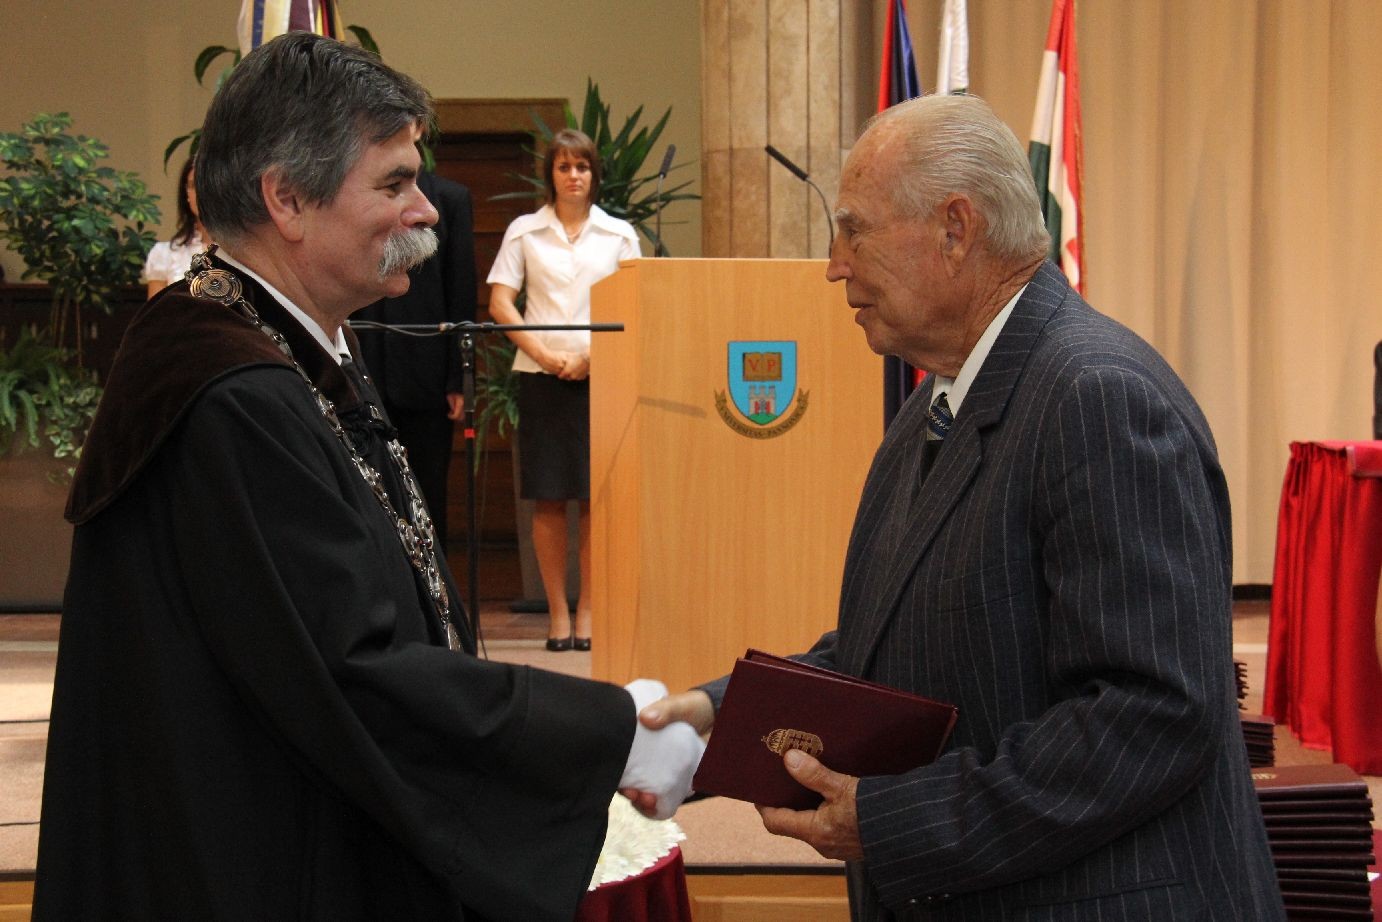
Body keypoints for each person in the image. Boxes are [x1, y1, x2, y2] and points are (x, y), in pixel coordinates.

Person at [34, 33, 701, 922]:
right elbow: (350, 669)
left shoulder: (277, 347)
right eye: (393, 184)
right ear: (287, 198)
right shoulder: (235, 394)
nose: (426, 211)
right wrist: (614, 733)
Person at [638, 94, 1286, 920]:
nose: (834, 265)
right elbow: (897, 641)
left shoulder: (1098, 396)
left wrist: (895, 819)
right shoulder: (937, 401)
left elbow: (1152, 714)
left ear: (955, 228)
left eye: (854, 230)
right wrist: (716, 714)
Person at [486, 129, 641, 652]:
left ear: (595, 175)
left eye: (583, 166)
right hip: (541, 377)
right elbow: (501, 302)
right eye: (564, 166)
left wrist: (590, 358)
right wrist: (545, 355)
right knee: (549, 499)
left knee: (595, 499)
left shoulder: (618, 235)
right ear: (549, 174)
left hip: (604, 376)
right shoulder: (524, 231)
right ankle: (557, 614)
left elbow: (635, 301)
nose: (574, 176)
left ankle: (588, 612)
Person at [354, 170, 477, 547]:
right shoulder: (355, 188)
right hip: (365, 364)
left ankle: (432, 578)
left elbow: (461, 287)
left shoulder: (450, 198)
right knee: (366, 491)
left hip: (427, 373)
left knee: (428, 491)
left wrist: (459, 380)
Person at [142, 155, 208, 297]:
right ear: (186, 193)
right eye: (194, 186)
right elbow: (156, 310)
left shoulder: (244, 252)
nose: (201, 193)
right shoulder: (163, 254)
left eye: (207, 185)